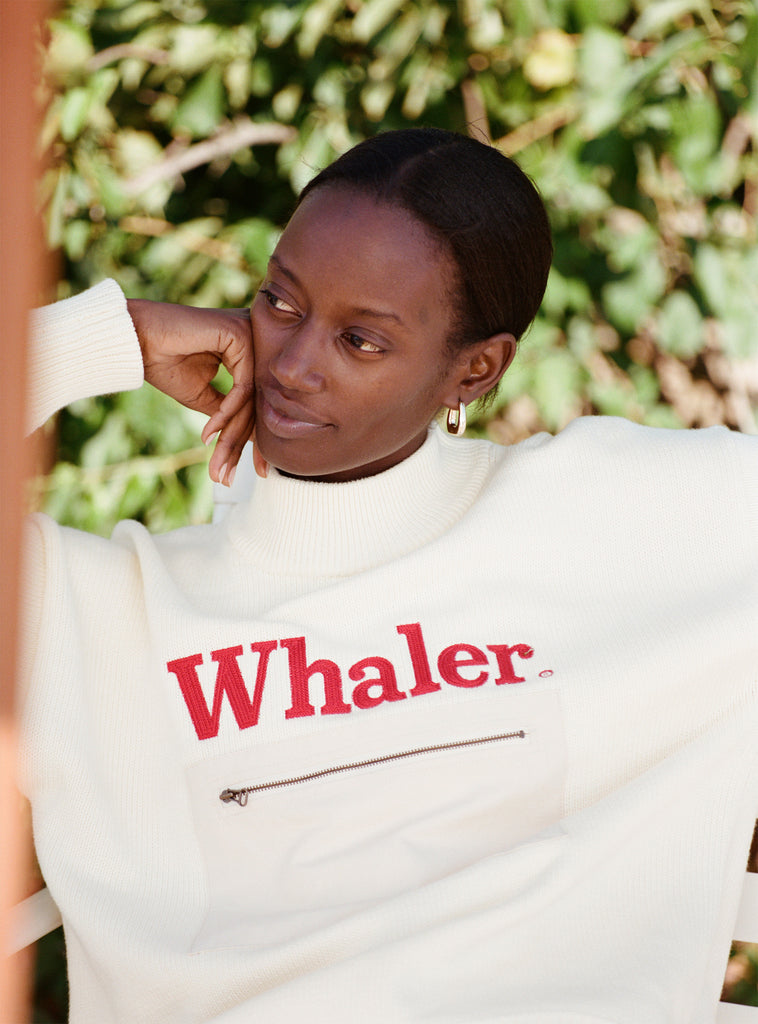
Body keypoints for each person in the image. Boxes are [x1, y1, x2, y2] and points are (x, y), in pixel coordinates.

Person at [20, 128, 758, 1023]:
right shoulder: (96, 607)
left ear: (474, 369)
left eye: (361, 341)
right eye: (279, 302)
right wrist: (107, 338)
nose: (293, 366)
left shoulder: (618, 520)